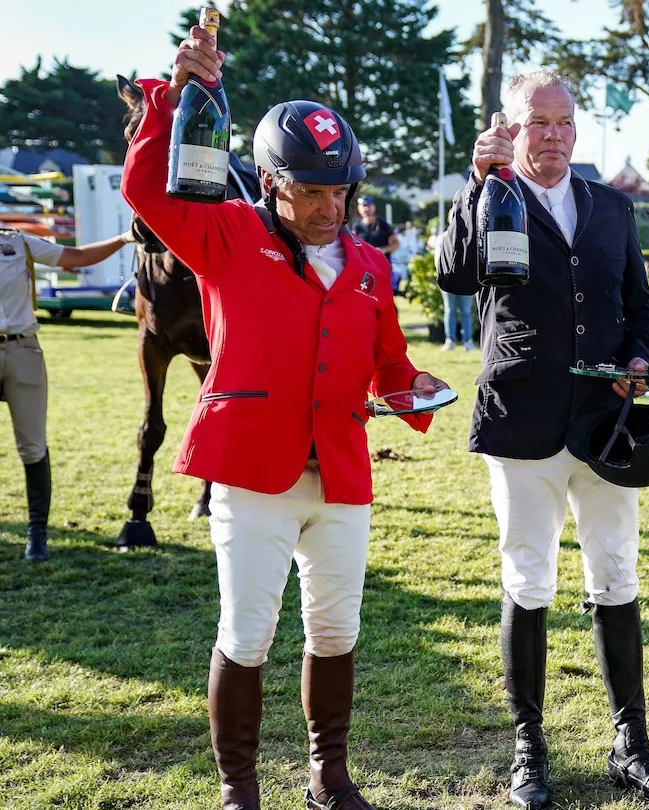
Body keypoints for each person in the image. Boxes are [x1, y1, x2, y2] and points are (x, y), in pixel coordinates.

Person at [121, 26, 448, 810]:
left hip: (340, 473)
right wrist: (172, 99)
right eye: (312, 192)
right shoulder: (226, 234)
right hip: (251, 472)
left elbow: (389, 361)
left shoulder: (370, 264)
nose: (332, 208)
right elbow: (145, 192)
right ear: (270, 182)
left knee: (336, 632)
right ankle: (239, 790)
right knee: (247, 634)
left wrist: (413, 385)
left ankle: (329, 778)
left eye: (342, 192)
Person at [436, 69, 649, 809]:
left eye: (564, 122)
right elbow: (454, 276)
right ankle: (529, 749)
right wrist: (475, 182)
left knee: (617, 572)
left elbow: (638, 305)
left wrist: (640, 359)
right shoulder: (492, 195)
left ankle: (632, 746)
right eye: (536, 122)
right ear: (509, 128)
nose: (553, 135)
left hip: (605, 423)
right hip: (522, 417)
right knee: (528, 579)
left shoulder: (611, 206)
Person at [2, 227, 134, 562]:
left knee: (32, 445)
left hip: (21, 349)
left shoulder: (17, 242)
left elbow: (77, 257)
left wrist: (122, 239)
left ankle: (37, 534)